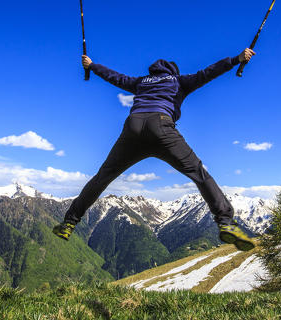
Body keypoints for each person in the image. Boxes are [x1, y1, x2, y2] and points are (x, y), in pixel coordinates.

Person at [53, 48, 257, 251]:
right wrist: (236, 59)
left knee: (103, 177)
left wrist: (92, 65)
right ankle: (226, 223)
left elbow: (115, 77)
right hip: (161, 127)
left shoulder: (141, 82)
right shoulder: (178, 81)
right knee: (199, 173)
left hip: (133, 128)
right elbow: (208, 72)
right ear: (172, 72)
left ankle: (69, 223)